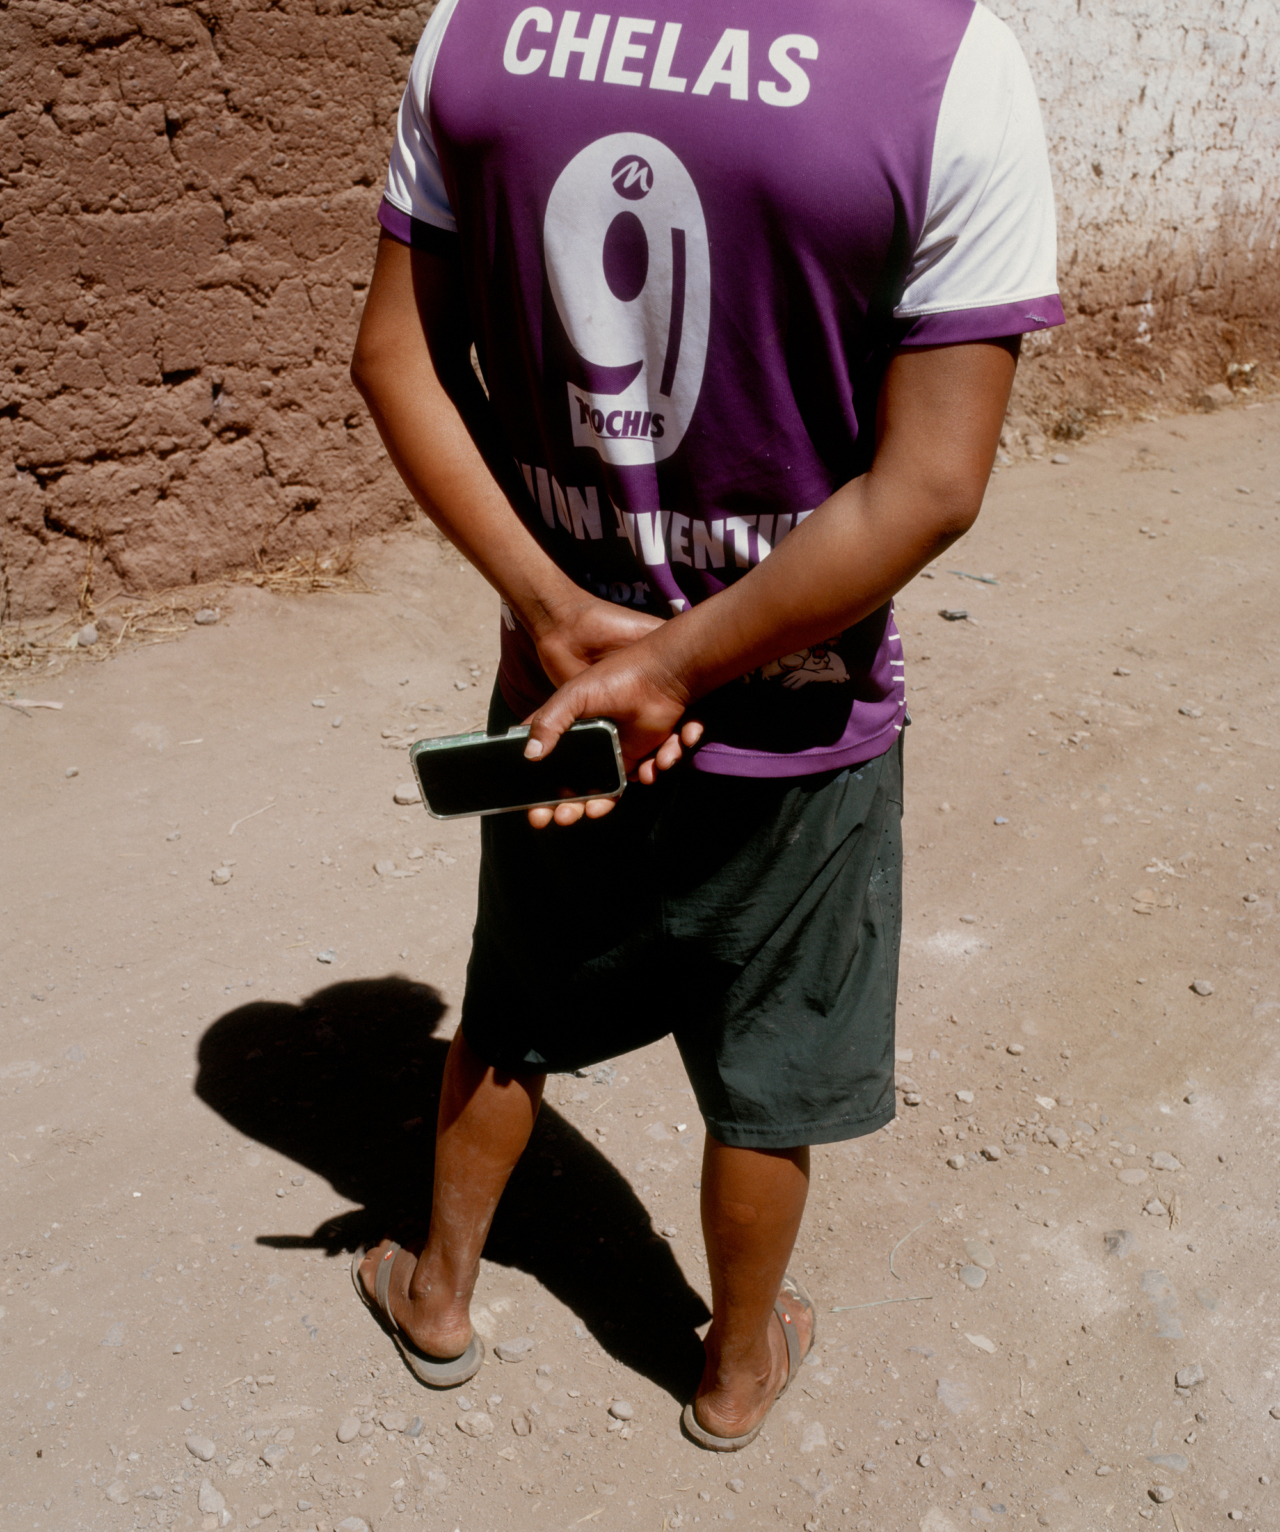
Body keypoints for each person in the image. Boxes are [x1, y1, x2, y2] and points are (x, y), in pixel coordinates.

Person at [349, 0, 1062, 1450]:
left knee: (513, 1001)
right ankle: (735, 1372)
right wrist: (680, 666)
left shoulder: (482, 29)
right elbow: (930, 482)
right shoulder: (943, 65)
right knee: (769, 1068)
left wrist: (560, 616)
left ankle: (438, 1290)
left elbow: (395, 360)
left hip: (564, 691)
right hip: (794, 708)